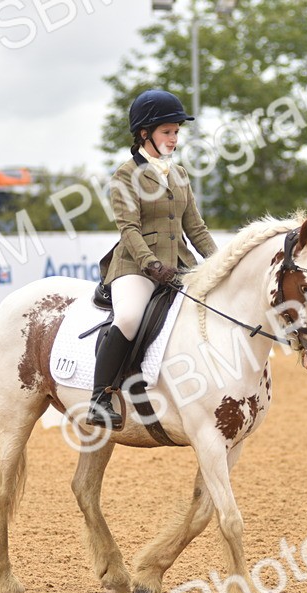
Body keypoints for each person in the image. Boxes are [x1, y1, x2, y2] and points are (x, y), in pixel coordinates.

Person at [87, 88, 218, 428]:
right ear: (145, 133)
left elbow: (196, 228)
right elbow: (129, 229)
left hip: (179, 265)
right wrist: (151, 264)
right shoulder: (125, 175)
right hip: (136, 266)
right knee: (130, 317)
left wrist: (221, 262)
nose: (174, 138)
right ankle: (100, 398)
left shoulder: (180, 174)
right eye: (167, 131)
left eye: (176, 131)